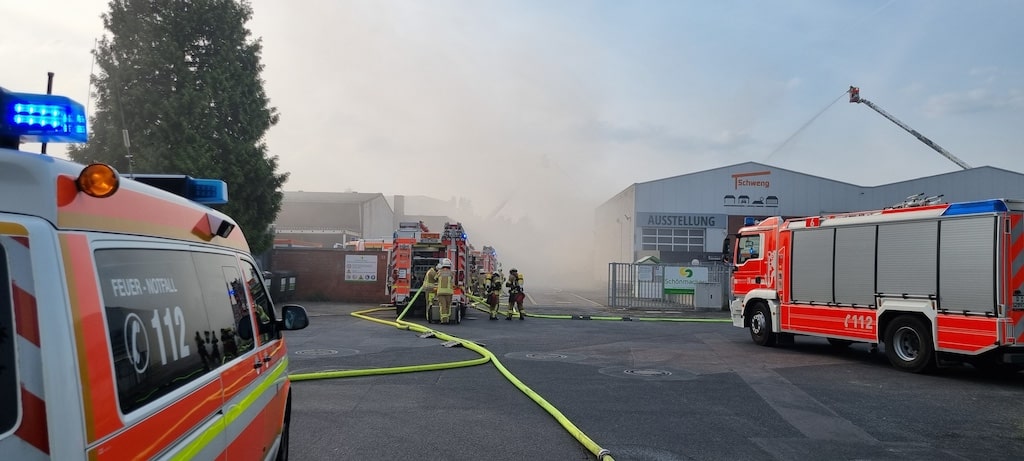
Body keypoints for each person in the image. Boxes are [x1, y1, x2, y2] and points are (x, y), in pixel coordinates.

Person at [436, 258, 455, 323]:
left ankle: (444, 319)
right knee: (448, 305)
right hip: (449, 292)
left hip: (440, 292)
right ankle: (447, 318)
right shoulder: (451, 273)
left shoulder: (439, 272)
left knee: (442, 305)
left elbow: (435, 278)